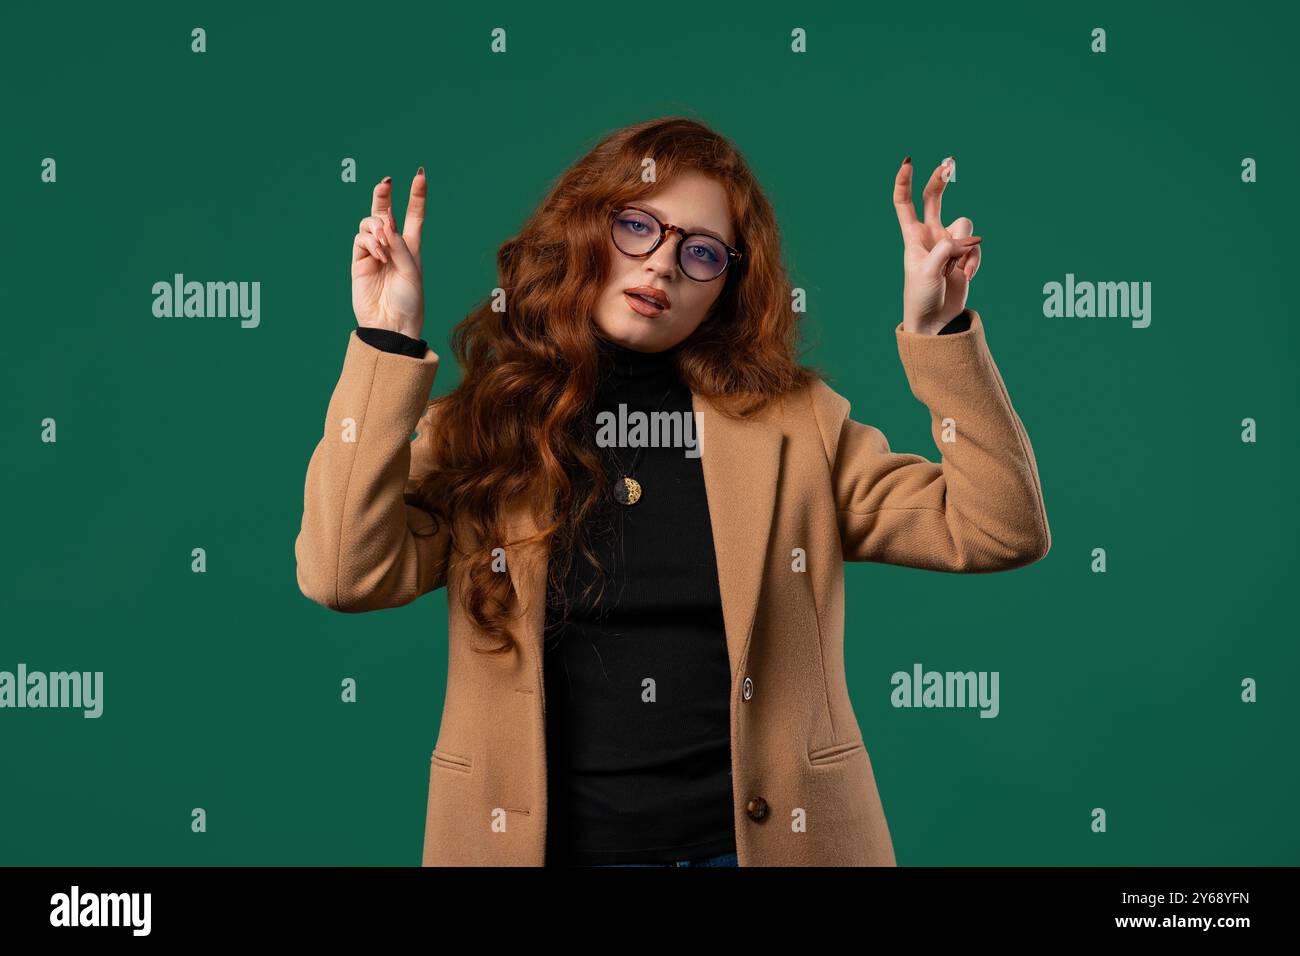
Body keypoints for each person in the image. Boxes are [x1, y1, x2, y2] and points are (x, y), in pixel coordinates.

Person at [295, 116, 1050, 867]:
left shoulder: (796, 428)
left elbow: (999, 528)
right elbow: (341, 575)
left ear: (728, 284)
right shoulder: (481, 433)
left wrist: (941, 332)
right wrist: (387, 340)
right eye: (636, 227)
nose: (662, 266)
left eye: (699, 252)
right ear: (584, 230)